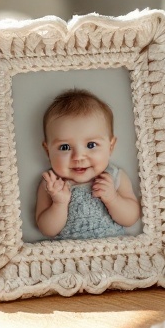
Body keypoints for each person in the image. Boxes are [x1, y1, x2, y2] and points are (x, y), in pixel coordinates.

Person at [35, 88, 141, 239]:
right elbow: (47, 229)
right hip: (69, 254)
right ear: (47, 151)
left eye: (91, 145)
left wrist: (113, 198)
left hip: (113, 250)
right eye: (65, 147)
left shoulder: (115, 176)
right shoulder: (52, 184)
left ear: (110, 147)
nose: (78, 157)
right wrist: (59, 203)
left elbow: (130, 218)